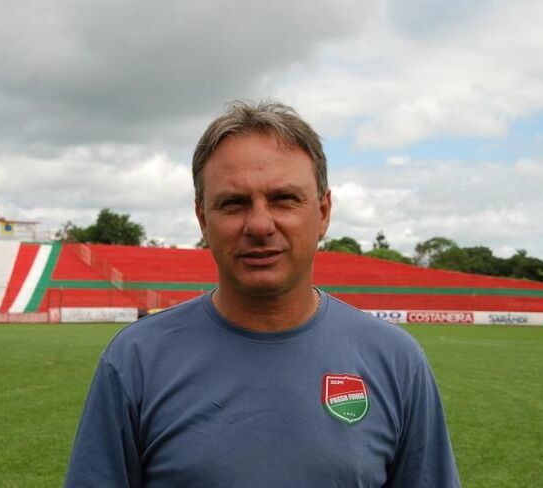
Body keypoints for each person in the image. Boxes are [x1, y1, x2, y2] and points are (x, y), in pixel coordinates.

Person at [64, 101, 460, 487]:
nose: (259, 224)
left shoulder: (396, 361)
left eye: (283, 199)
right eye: (233, 204)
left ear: (322, 213)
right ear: (203, 219)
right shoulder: (135, 361)